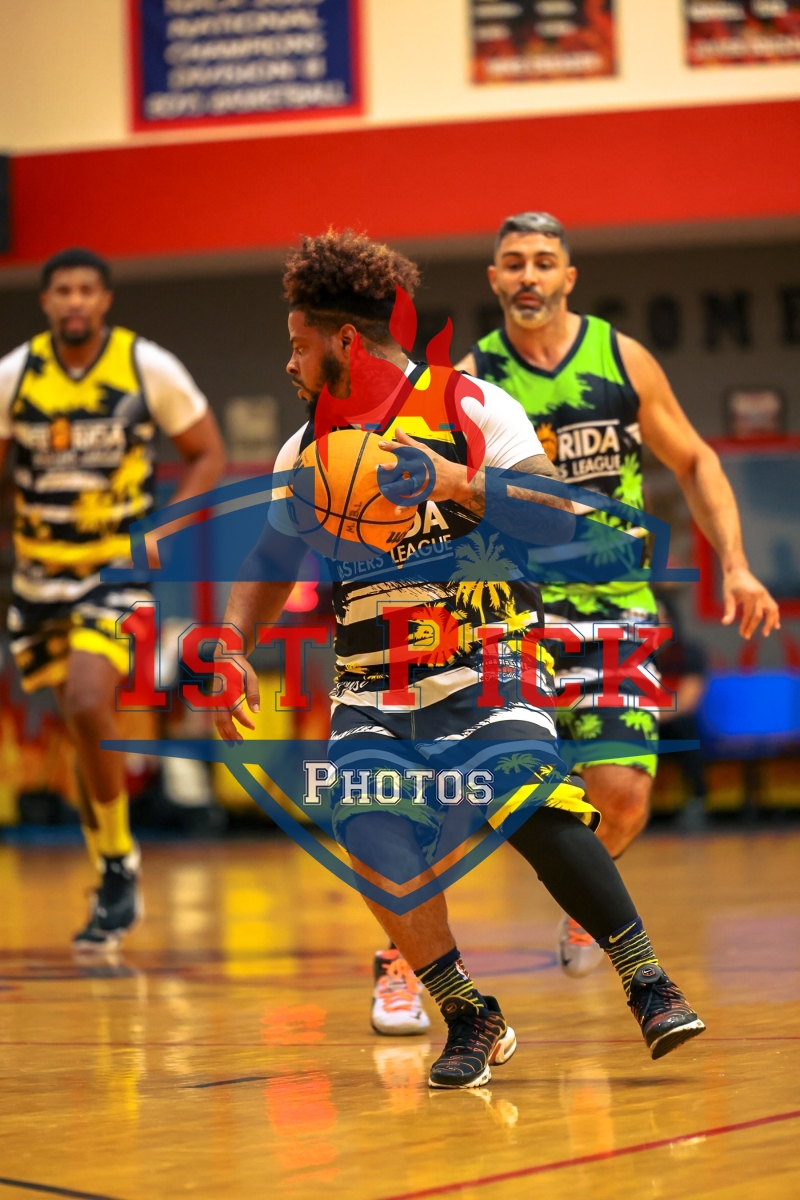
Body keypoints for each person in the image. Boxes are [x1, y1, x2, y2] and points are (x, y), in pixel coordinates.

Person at [216, 229, 705, 1088]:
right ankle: (469, 1014)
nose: (289, 363)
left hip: (488, 656)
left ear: (345, 341)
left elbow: (558, 514)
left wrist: (455, 483)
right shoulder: (308, 450)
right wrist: (229, 642)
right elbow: (269, 561)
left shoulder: (469, 405)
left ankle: (647, 981)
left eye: (299, 344)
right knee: (369, 833)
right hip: (374, 683)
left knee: (530, 799)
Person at [457, 212, 779, 977]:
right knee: (489, 793)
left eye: (543, 261)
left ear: (568, 277)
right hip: (516, 607)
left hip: (615, 602)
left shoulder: (620, 358)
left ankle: (583, 905)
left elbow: (694, 461)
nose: (529, 275)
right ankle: (407, 954)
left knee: (626, 799)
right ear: (494, 279)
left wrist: (736, 563)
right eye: (514, 262)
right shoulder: (470, 380)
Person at [0, 247, 226, 951]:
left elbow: (208, 453)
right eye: (62, 290)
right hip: (39, 574)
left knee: (87, 698)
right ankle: (110, 870)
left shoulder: (145, 366)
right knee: (78, 723)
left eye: (86, 290)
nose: (74, 300)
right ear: (46, 301)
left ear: (104, 300)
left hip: (115, 570)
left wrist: (165, 526)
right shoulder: (15, 376)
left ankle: (121, 864)